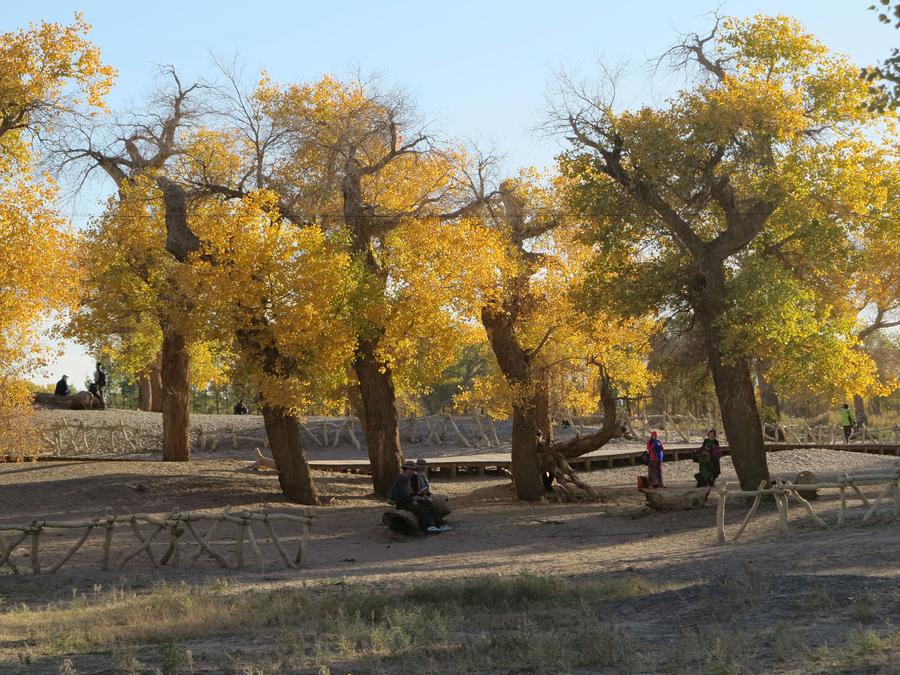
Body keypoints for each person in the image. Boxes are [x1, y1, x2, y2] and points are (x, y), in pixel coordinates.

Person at [388, 461, 448, 533]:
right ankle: (428, 527)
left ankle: (439, 523)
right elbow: (402, 495)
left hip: (409, 500)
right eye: (410, 469)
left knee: (427, 504)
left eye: (412, 470)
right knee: (420, 510)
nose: (411, 471)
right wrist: (413, 500)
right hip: (403, 504)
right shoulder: (401, 479)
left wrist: (418, 494)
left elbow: (409, 493)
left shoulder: (407, 478)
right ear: (406, 469)